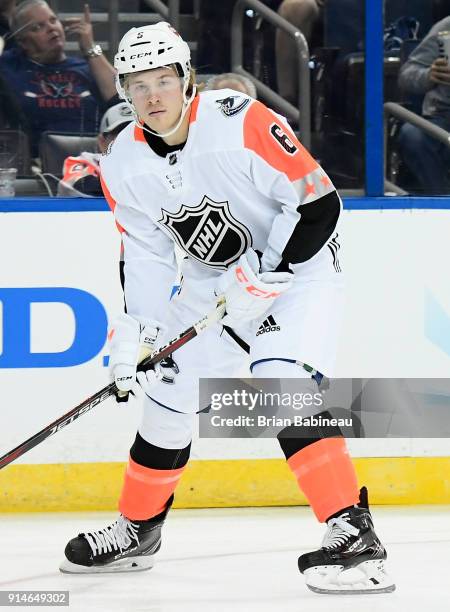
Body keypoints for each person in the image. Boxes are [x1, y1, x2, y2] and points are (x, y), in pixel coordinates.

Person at [59, 22, 395, 595]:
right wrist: (132, 338)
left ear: (188, 79)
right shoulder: (122, 164)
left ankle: (354, 535)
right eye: (138, 85)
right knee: (167, 391)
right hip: (215, 286)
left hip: (301, 272)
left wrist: (268, 267)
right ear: (121, 90)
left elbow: (320, 205)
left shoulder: (241, 120)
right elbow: (145, 259)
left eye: (164, 80)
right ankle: (139, 529)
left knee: (279, 380)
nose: (154, 96)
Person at [0, 0, 116, 157]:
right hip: (35, 164)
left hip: (92, 160)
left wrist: (90, 47)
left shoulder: (86, 67)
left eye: (53, 20)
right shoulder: (11, 67)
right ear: (22, 42)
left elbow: (120, 97)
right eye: (38, 27)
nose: (51, 28)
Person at [397, 16, 450, 194]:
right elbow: (407, 75)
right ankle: (441, 202)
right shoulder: (446, 27)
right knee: (413, 135)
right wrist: (429, 75)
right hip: (443, 117)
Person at [57, 101, 133, 197]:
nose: (130, 140)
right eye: (120, 134)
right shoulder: (83, 161)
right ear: (102, 142)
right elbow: (81, 185)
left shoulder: (154, 161)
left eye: (136, 133)